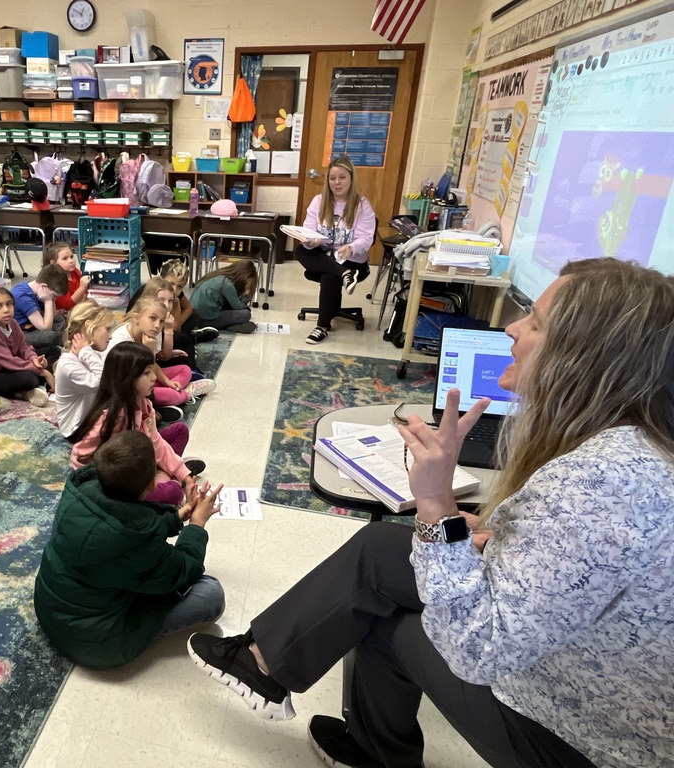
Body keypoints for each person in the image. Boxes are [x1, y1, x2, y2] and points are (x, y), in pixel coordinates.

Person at [187, 258, 674, 768]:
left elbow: (480, 649)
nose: (511, 327)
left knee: (381, 616)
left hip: (579, 740)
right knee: (382, 551)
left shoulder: (606, 479)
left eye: (536, 323)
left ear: (585, 357)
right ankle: (268, 666)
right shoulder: (631, 450)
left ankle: (366, 745)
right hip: (574, 671)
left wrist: (437, 503)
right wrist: (485, 537)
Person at [35, 430, 225, 668]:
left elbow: (131, 520)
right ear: (154, 483)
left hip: (53, 611)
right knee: (211, 593)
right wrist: (197, 524)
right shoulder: (137, 544)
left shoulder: (81, 493)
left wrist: (178, 517)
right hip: (97, 644)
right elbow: (184, 570)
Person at [70, 342, 205, 506]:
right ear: (128, 377)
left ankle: (167, 474)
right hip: (115, 479)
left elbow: (155, 442)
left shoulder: (144, 404)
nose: (154, 378)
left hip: (137, 461)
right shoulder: (113, 417)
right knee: (174, 493)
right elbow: (82, 458)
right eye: (147, 373)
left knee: (180, 431)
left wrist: (183, 474)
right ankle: (166, 477)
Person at [296, 155, 376, 344]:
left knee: (329, 275)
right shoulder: (319, 201)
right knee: (300, 251)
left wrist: (352, 247)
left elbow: (366, 238)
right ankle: (344, 274)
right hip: (326, 255)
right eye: (332, 178)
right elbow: (308, 230)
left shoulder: (361, 205)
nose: (337, 182)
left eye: (342, 177)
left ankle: (322, 326)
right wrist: (310, 241)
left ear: (351, 179)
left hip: (351, 259)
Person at [106, 297, 215, 420]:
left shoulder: (151, 332)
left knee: (185, 369)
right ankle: (186, 393)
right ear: (136, 318)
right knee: (171, 395)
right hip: (129, 387)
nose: (157, 325)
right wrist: (150, 352)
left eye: (161, 321)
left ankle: (169, 395)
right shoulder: (121, 340)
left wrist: (167, 381)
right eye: (152, 318)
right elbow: (134, 378)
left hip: (145, 377)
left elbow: (154, 366)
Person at [0, 286, 55, 407]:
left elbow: (23, 347)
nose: (6, 310)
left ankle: (32, 389)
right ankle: (22, 393)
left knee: (53, 353)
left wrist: (34, 359)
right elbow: (9, 360)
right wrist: (43, 372)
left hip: (7, 366)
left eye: (9, 304)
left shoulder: (12, 323)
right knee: (30, 379)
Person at [55, 301, 113, 440]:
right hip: (77, 429)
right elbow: (101, 384)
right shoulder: (67, 363)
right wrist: (86, 352)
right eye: (107, 329)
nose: (110, 336)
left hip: (94, 416)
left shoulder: (93, 353)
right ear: (89, 327)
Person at [12, 263, 68, 365]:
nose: (54, 299)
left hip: (32, 327)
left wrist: (50, 299)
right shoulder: (23, 297)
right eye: (54, 296)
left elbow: (54, 315)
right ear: (44, 287)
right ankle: (60, 343)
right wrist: (48, 301)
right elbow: (45, 328)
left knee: (60, 320)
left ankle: (54, 343)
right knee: (51, 336)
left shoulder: (38, 290)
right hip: (20, 335)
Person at [159, 258, 219, 343]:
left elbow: (188, 308)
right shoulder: (155, 292)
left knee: (194, 314)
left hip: (170, 326)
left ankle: (188, 337)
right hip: (156, 331)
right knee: (181, 341)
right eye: (170, 283)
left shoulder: (176, 294)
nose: (174, 290)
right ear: (161, 279)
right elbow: (174, 330)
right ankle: (191, 338)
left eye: (180, 286)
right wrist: (176, 306)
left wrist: (178, 319)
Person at [189, 260, 258, 333]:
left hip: (194, 317)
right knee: (246, 314)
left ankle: (229, 324)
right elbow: (238, 307)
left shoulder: (218, 277)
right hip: (205, 321)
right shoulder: (227, 285)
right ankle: (229, 326)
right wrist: (246, 295)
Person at [44, 241, 90, 312]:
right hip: (62, 314)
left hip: (75, 308)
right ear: (53, 263)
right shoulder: (55, 281)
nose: (71, 261)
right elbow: (67, 304)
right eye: (65, 258)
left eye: (71, 257)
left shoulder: (75, 271)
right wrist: (82, 287)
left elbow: (85, 294)